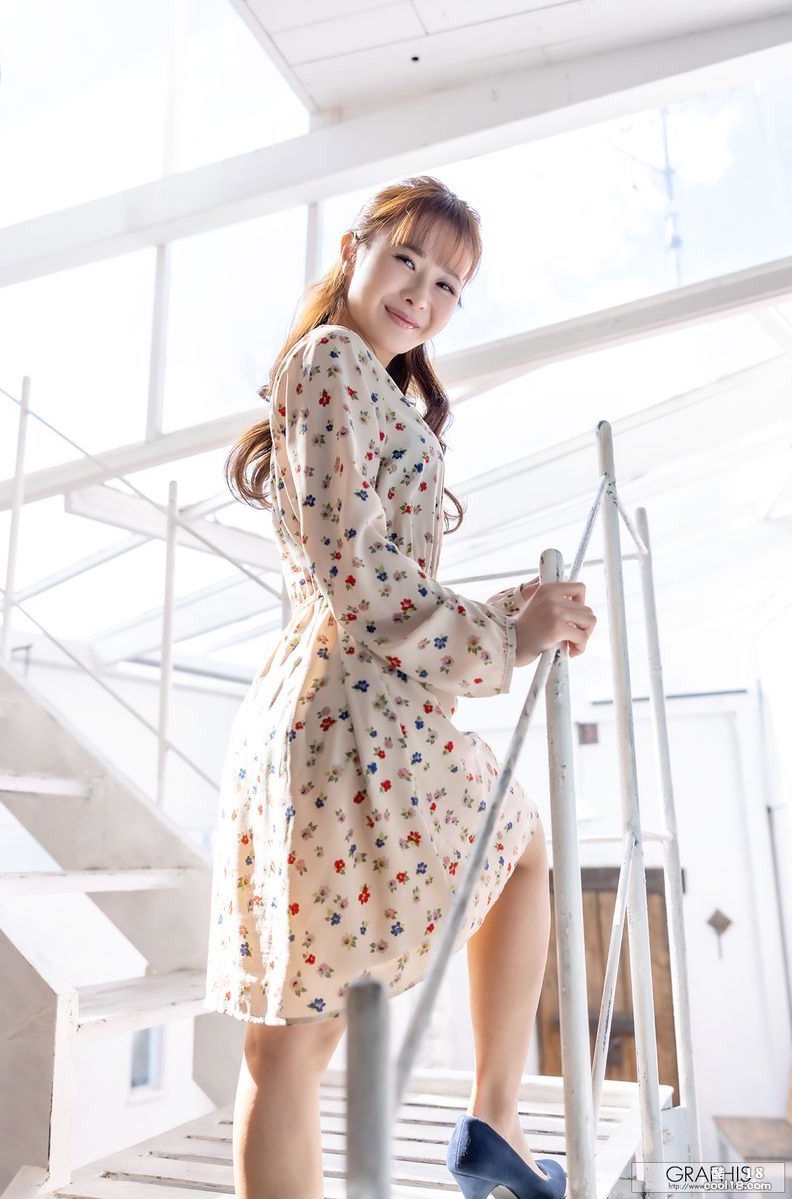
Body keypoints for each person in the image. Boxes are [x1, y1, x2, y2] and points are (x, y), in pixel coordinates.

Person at [203, 174, 596, 1199]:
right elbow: (357, 576)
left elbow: (377, 577)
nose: (422, 292)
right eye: (407, 259)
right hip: (345, 724)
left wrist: (509, 612)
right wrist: (503, 640)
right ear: (354, 251)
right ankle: (494, 1119)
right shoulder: (331, 359)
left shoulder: (366, 384)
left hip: (348, 713)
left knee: (297, 1039)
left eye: (449, 284)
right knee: (291, 1045)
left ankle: (496, 1120)